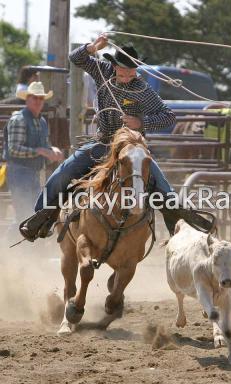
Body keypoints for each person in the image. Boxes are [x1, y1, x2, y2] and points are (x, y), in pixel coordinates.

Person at [20, 34, 214, 241]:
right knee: (61, 175)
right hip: (103, 143)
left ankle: (181, 238)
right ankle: (40, 219)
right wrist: (92, 47)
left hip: (132, 148)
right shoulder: (102, 71)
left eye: (131, 71)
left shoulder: (142, 89)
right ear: (114, 66)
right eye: (123, 70)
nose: (127, 75)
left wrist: (142, 123)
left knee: (164, 190)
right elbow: (75, 58)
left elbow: (169, 117)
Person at [4, 81, 63, 224]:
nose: (38, 101)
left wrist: (52, 151)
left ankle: (13, 244)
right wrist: (41, 151)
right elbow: (14, 149)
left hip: (34, 173)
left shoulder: (41, 121)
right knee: (24, 215)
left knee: (32, 214)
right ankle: (8, 244)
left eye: (40, 98)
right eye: (34, 98)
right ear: (27, 99)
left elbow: (43, 147)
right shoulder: (19, 119)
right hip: (19, 172)